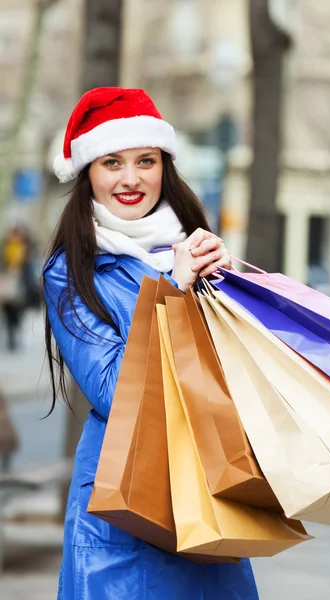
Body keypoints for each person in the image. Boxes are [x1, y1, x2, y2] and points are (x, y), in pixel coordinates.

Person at [43, 87, 258, 600]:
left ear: (166, 166)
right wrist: (173, 289)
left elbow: (236, 371)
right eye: (112, 162)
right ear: (88, 171)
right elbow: (114, 391)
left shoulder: (191, 246)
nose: (131, 178)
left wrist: (229, 290)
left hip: (207, 484)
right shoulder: (70, 270)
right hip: (123, 501)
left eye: (146, 160)